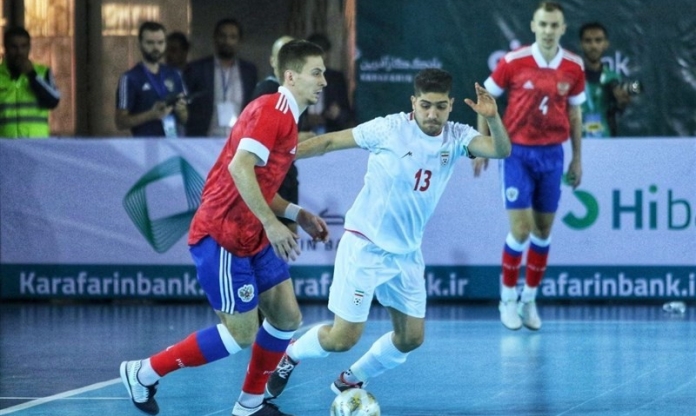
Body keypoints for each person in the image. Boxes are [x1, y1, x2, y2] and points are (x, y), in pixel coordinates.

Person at [264, 68, 511, 401]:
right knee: (342, 339)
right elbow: (329, 141)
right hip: (365, 245)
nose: (432, 114)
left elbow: (501, 150)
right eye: (425, 105)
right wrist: (277, 155)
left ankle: (350, 380)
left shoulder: (457, 137)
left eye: (440, 106)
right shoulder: (390, 129)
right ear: (414, 101)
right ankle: (291, 354)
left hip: (406, 253)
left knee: (410, 337)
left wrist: (493, 118)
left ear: (451, 105)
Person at [119, 39, 329, 416]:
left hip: (253, 233)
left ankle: (249, 404)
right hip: (223, 235)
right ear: (291, 76)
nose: (324, 81)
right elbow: (239, 168)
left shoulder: (288, 117)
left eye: (324, 73)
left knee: (286, 318)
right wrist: (272, 223)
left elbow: (262, 186)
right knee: (241, 334)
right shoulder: (273, 110)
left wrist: (297, 214)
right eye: (317, 73)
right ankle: (143, 372)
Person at [472, 1, 585, 331]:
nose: (549, 30)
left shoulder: (573, 67)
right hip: (517, 153)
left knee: (543, 231)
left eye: (555, 25)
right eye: (543, 24)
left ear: (562, 29)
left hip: (553, 155)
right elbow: (484, 102)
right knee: (520, 229)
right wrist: (483, 145)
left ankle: (529, 299)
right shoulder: (514, 61)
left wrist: (577, 157)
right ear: (534, 26)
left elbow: (575, 114)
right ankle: (507, 299)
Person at [251, 35, 313, 235]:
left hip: (287, 177)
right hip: (265, 182)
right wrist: (304, 138)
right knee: (267, 244)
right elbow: (270, 143)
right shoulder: (267, 92)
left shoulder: (298, 94)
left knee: (287, 247)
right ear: (273, 61)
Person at [184, 18, 258, 138]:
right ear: (215, 38)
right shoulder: (197, 69)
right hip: (203, 141)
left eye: (232, 37)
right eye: (222, 36)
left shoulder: (249, 71)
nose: (227, 41)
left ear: (239, 41)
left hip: (238, 143)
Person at [115, 21, 188, 138]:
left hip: (173, 144)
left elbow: (186, 118)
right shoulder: (129, 78)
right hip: (144, 146)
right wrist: (151, 115)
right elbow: (120, 122)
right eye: (150, 43)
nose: (156, 47)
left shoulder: (175, 74)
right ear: (139, 44)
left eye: (160, 43)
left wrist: (181, 111)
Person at [0, 27, 60, 138]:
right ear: (6, 48)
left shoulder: (43, 72)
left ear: (29, 47)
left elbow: (53, 101)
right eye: (14, 47)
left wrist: (32, 75)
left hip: (35, 146)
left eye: (24, 46)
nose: (19, 52)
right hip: (5, 146)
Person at [579, 22, 631, 138]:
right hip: (576, 143)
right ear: (581, 44)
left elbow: (619, 105)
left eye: (598, 40)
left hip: (606, 144)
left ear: (606, 44)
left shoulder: (613, 78)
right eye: (588, 41)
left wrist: (622, 101)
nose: (593, 46)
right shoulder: (571, 78)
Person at [302, 33, 353, 134]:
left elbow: (348, 116)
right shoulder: (299, 78)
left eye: (324, 53)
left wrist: (338, 114)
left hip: (330, 135)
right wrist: (307, 120)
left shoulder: (336, 78)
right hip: (303, 136)